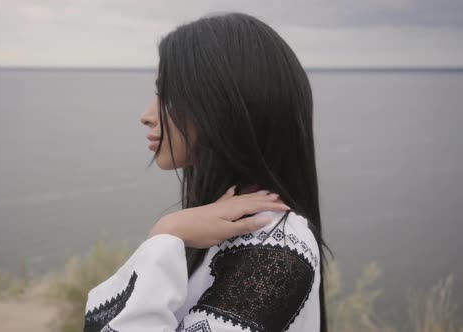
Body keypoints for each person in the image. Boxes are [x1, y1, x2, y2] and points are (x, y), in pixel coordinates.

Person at [83, 11, 330, 332]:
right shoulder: (221, 226)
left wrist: (165, 235)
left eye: (165, 95)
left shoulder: (278, 251)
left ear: (220, 105)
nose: (146, 115)